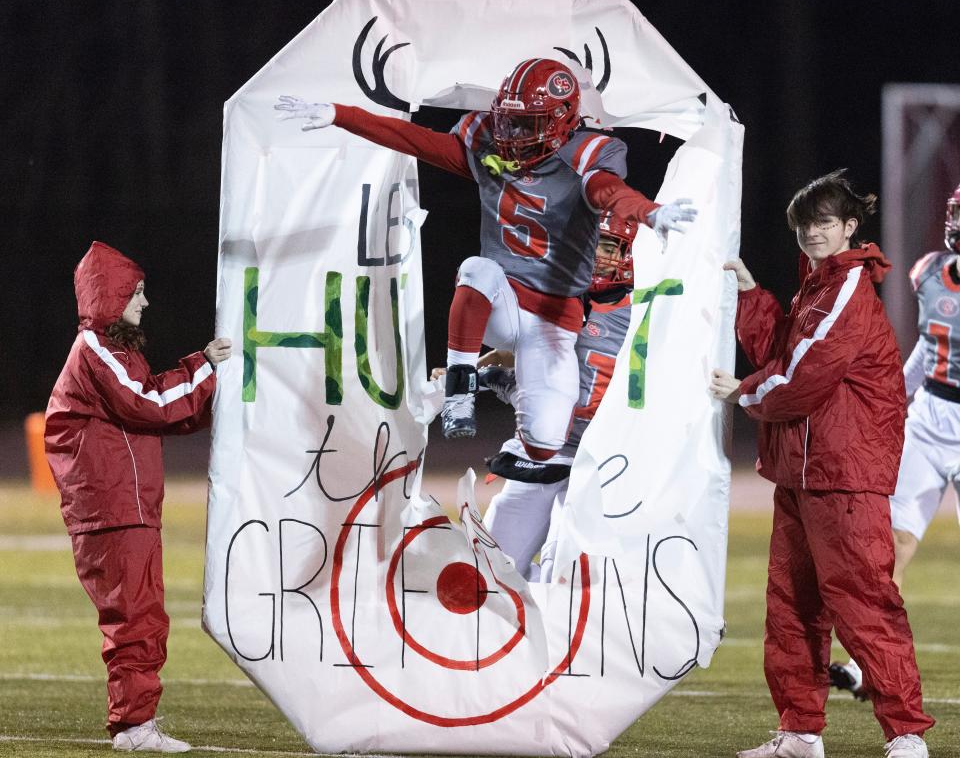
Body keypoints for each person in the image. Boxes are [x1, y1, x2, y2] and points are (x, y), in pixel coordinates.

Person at [275, 58, 696, 460]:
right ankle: (460, 389)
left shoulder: (585, 157)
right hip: (502, 302)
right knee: (477, 270)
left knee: (544, 443)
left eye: (526, 123)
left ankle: (499, 380)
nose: (511, 131)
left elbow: (609, 192)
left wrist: (650, 212)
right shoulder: (486, 143)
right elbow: (413, 140)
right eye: (508, 118)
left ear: (561, 121)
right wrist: (339, 114)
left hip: (554, 317)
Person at [708, 171, 935, 758]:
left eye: (825, 223)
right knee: (792, 609)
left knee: (865, 605)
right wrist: (753, 294)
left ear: (850, 227)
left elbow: (801, 377)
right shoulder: (818, 285)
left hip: (844, 474)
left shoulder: (848, 289)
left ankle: (907, 735)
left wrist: (744, 393)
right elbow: (785, 348)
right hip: (803, 472)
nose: (813, 233)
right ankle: (801, 733)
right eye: (806, 224)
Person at [44, 241, 231, 753]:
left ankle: (136, 723)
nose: (143, 303)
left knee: (143, 617)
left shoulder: (115, 352)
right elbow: (150, 405)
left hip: (126, 507)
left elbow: (160, 406)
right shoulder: (96, 349)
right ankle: (132, 728)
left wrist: (207, 377)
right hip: (111, 509)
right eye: (137, 292)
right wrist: (204, 367)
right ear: (112, 294)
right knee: (135, 620)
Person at [431, 211, 636, 581]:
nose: (595, 258)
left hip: (594, 462)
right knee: (489, 570)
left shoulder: (640, 313)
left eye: (606, 247)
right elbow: (540, 370)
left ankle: (558, 631)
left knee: (569, 577)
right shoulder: (557, 297)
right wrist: (478, 372)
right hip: (542, 454)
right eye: (589, 247)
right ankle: (512, 634)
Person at [830, 183, 960, 702]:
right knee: (890, 550)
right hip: (929, 417)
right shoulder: (929, 271)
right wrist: (888, 400)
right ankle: (869, 666)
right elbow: (927, 350)